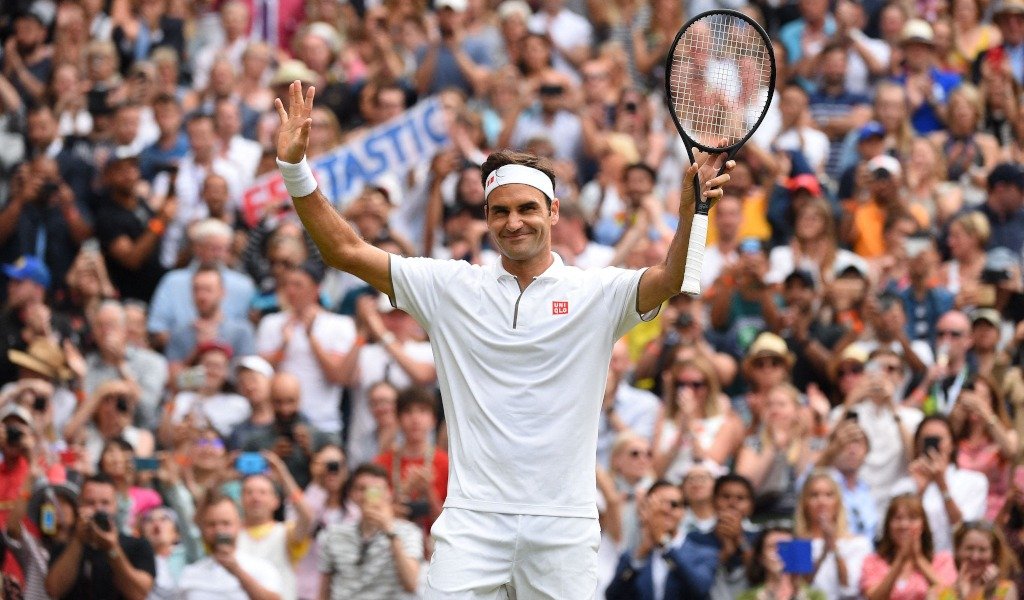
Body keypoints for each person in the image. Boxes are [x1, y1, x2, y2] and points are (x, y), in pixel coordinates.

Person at [274, 80, 734, 596]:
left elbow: (672, 278)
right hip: (473, 523)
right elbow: (345, 251)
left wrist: (693, 211)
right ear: (487, 218)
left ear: (554, 212)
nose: (514, 222)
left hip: (563, 525)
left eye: (528, 208)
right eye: (500, 211)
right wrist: (295, 169)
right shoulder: (450, 287)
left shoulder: (596, 291)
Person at [316, 463, 423, 599]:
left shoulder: (408, 532)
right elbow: (323, 592)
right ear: (352, 494)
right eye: (362, 489)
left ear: (388, 493)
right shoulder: (334, 534)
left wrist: (390, 532)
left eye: (376, 490)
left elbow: (411, 583)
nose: (368, 495)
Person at [45, 473, 157, 600]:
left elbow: (139, 593)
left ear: (115, 505)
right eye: (90, 503)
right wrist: (78, 540)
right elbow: (53, 590)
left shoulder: (138, 546)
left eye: (105, 503)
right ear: (79, 505)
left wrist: (112, 549)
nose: (98, 509)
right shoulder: (65, 545)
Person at [605, 480, 716, 600]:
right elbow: (613, 596)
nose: (666, 510)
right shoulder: (633, 556)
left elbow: (700, 589)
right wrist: (641, 555)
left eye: (674, 504)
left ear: (683, 511)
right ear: (645, 509)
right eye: (659, 503)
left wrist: (664, 542)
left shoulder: (704, 553)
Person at [176, 490, 283, 600]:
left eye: (226, 523)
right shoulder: (189, 574)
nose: (219, 530)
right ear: (202, 528)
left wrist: (237, 571)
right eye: (211, 524)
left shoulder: (261, 569)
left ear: (240, 524)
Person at [793, 469, 873, 599]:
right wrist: (824, 553)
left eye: (829, 495)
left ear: (838, 502)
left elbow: (849, 588)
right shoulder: (797, 544)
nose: (821, 502)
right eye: (814, 495)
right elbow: (799, 588)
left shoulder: (858, 543)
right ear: (805, 503)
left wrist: (834, 547)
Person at [861, 494, 958, 600]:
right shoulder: (872, 561)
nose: (904, 525)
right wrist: (900, 560)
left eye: (912, 518)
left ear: (923, 525)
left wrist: (919, 559)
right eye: (898, 518)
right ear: (888, 525)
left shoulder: (942, 560)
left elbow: (950, 596)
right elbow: (874, 597)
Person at [929, 521, 1020, 600]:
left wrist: (989, 595)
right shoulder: (937, 594)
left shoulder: (1005, 590)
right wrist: (959, 597)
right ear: (958, 550)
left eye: (982, 550)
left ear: (993, 554)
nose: (975, 557)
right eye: (969, 548)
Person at [738, 526, 827, 600]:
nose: (779, 552)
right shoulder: (747, 597)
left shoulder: (815, 596)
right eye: (772, 547)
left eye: (786, 547)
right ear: (761, 558)